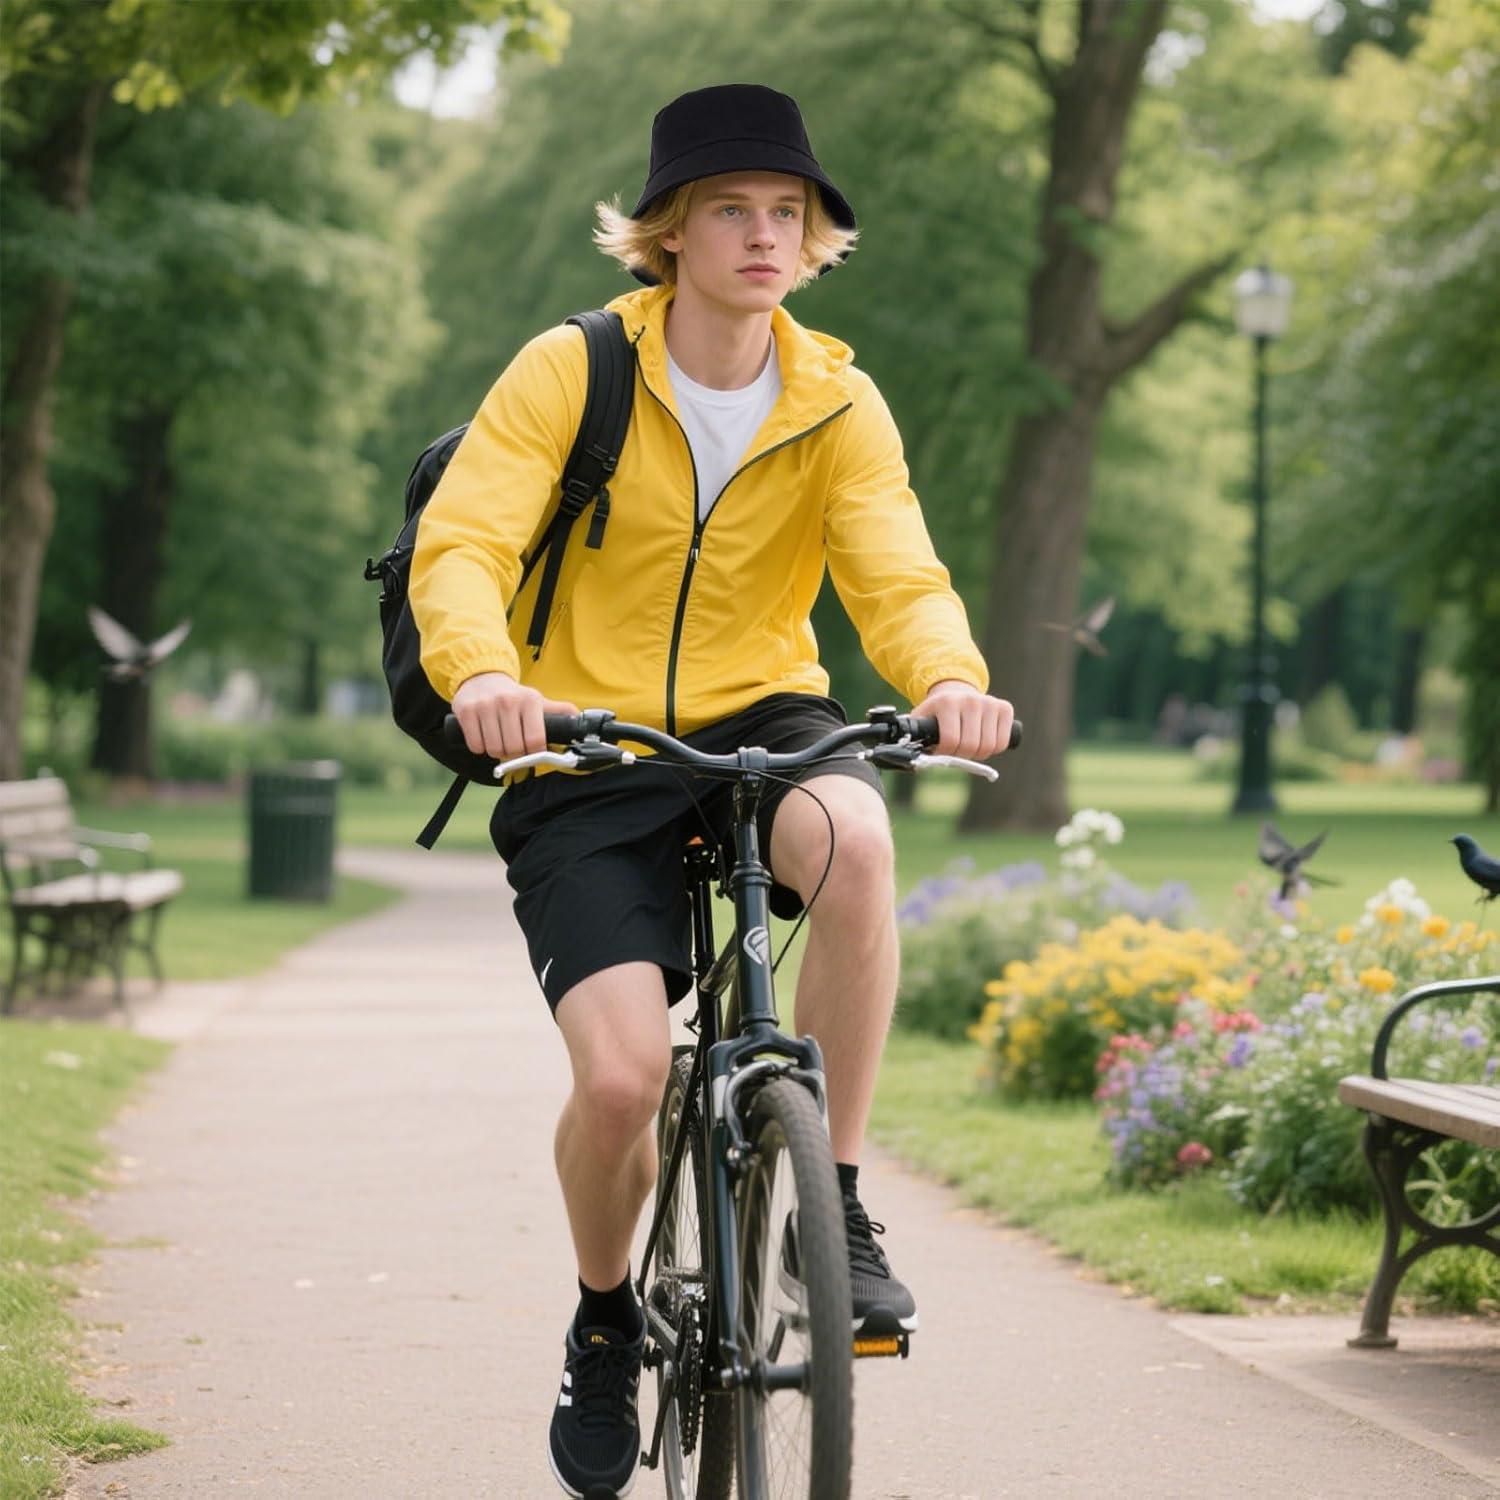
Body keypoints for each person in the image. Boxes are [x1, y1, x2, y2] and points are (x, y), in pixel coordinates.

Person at [409, 82, 1014, 1500]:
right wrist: (488, 676)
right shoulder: (574, 370)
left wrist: (951, 679)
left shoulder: (837, 398)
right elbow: (464, 547)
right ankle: (608, 1315)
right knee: (620, 1079)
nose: (762, 235)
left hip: (764, 715)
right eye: (731, 210)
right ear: (668, 233)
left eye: (786, 214)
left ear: (812, 243)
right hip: (580, 735)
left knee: (856, 841)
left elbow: (896, 573)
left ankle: (841, 1207)